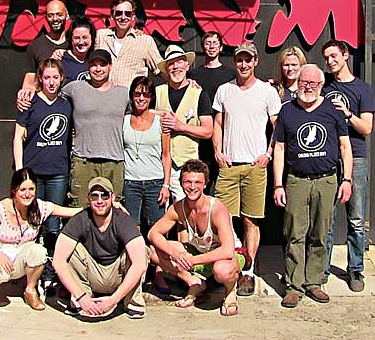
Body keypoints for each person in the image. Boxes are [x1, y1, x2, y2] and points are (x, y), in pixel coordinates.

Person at [272, 64, 353, 308]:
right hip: (296, 181)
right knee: (294, 233)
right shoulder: (287, 112)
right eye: (304, 83)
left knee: (320, 233)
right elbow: (279, 148)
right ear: (297, 83)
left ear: (321, 86)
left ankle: (314, 282)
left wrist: (346, 179)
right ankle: (294, 285)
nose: (308, 87)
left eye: (313, 84)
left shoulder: (332, 111)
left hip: (327, 180)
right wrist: (278, 184)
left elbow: (345, 147)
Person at [212, 41, 282, 296]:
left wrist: (268, 154)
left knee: (251, 221)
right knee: (225, 221)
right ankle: (233, 264)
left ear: (255, 62)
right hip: (229, 167)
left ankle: (248, 272)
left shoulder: (267, 92)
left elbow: (278, 127)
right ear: (235, 62)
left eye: (248, 60)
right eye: (239, 59)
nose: (243, 64)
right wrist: (218, 152)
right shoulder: (224, 90)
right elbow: (218, 124)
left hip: (255, 167)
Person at [0, 168, 85, 310]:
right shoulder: (0, 210)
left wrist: (104, 205)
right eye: (22, 189)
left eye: (31, 189)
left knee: (39, 251)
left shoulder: (39, 207)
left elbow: (71, 212)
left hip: (17, 260)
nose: (27, 194)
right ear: (14, 191)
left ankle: (30, 290)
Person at [148, 159, 244, 317]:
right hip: (199, 253)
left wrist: (192, 261)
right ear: (181, 183)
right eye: (188, 182)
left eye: (197, 182)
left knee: (222, 270)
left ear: (205, 184)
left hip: (227, 255)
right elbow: (153, 233)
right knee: (154, 252)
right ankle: (193, 282)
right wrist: (176, 254)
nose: (192, 187)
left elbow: (227, 250)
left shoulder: (216, 208)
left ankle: (230, 291)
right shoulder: (179, 207)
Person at [13, 58, 73, 293]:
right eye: (46, 77)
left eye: (55, 77)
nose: (51, 82)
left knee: (53, 226)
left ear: (61, 79)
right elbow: (18, 137)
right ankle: (29, 273)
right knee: (32, 225)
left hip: (57, 172)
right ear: (40, 79)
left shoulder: (67, 104)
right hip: (33, 173)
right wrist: (21, 171)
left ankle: (50, 274)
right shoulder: (29, 104)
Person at [321, 40, 375, 293]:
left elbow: (367, 128)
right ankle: (322, 269)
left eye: (333, 56)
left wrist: (346, 113)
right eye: (326, 58)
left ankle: (355, 270)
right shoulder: (324, 86)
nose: (330, 62)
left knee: (355, 218)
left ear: (345, 55)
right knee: (326, 219)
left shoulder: (362, 89)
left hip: (357, 158)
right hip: (329, 158)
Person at [53, 177, 149, 319]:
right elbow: (58, 261)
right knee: (71, 250)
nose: (99, 201)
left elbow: (140, 264)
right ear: (88, 198)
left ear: (113, 197)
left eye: (104, 195)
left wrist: (113, 300)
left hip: (118, 276)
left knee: (142, 251)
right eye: (94, 196)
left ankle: (133, 302)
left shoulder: (123, 220)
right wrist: (81, 297)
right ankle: (80, 303)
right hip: (92, 274)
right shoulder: (79, 219)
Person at [61, 49, 131, 207]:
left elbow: (141, 113)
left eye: (103, 65)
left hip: (114, 163)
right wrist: (29, 90)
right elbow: (50, 97)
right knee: (79, 210)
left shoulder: (123, 93)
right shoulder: (75, 88)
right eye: (94, 65)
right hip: (83, 162)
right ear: (88, 67)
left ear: (110, 67)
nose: (98, 69)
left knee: (114, 211)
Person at [154, 45, 213, 202]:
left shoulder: (199, 94)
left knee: (186, 216)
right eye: (171, 64)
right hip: (158, 165)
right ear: (166, 68)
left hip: (187, 167)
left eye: (179, 62)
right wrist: (159, 114)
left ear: (186, 65)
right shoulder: (157, 91)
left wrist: (180, 126)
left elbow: (208, 131)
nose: (175, 67)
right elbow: (143, 116)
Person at [188, 31, 236, 191]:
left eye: (215, 43)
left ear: (221, 47)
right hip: (202, 135)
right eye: (208, 43)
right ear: (203, 47)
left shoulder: (231, 75)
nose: (211, 46)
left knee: (224, 181)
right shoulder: (193, 75)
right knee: (202, 179)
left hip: (225, 132)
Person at [122, 76, 172, 228]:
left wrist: (166, 185)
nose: (141, 98)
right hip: (130, 182)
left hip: (155, 181)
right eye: (137, 94)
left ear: (151, 97)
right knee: (131, 227)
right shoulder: (124, 120)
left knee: (156, 228)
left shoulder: (160, 122)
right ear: (132, 96)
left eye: (146, 94)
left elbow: (166, 155)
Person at [94, 0, 163, 87]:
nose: (123, 17)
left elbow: (160, 69)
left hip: (130, 98)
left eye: (127, 14)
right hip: (103, 96)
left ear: (133, 16)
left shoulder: (145, 41)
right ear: (112, 16)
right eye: (119, 13)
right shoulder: (101, 36)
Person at [17, 0, 70, 106]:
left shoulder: (74, 45)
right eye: (51, 15)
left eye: (59, 14)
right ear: (46, 17)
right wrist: (24, 99)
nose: (55, 19)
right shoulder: (36, 46)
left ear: (67, 15)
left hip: (70, 105)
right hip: (45, 106)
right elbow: (29, 78)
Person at [61, 16, 95, 84]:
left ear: (92, 38)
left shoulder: (95, 59)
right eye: (77, 38)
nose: (81, 42)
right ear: (71, 39)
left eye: (85, 37)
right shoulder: (61, 61)